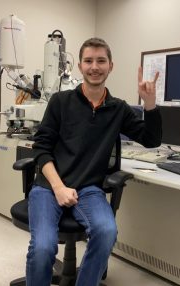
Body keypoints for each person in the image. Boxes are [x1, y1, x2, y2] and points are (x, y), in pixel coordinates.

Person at [27, 37, 162, 286]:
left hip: (89, 189)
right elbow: (41, 149)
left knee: (107, 231)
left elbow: (151, 140)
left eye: (101, 60)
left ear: (111, 66)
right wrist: (58, 187)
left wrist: (150, 105)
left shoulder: (118, 109)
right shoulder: (60, 102)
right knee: (43, 247)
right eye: (88, 60)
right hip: (49, 187)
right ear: (80, 66)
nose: (94, 66)